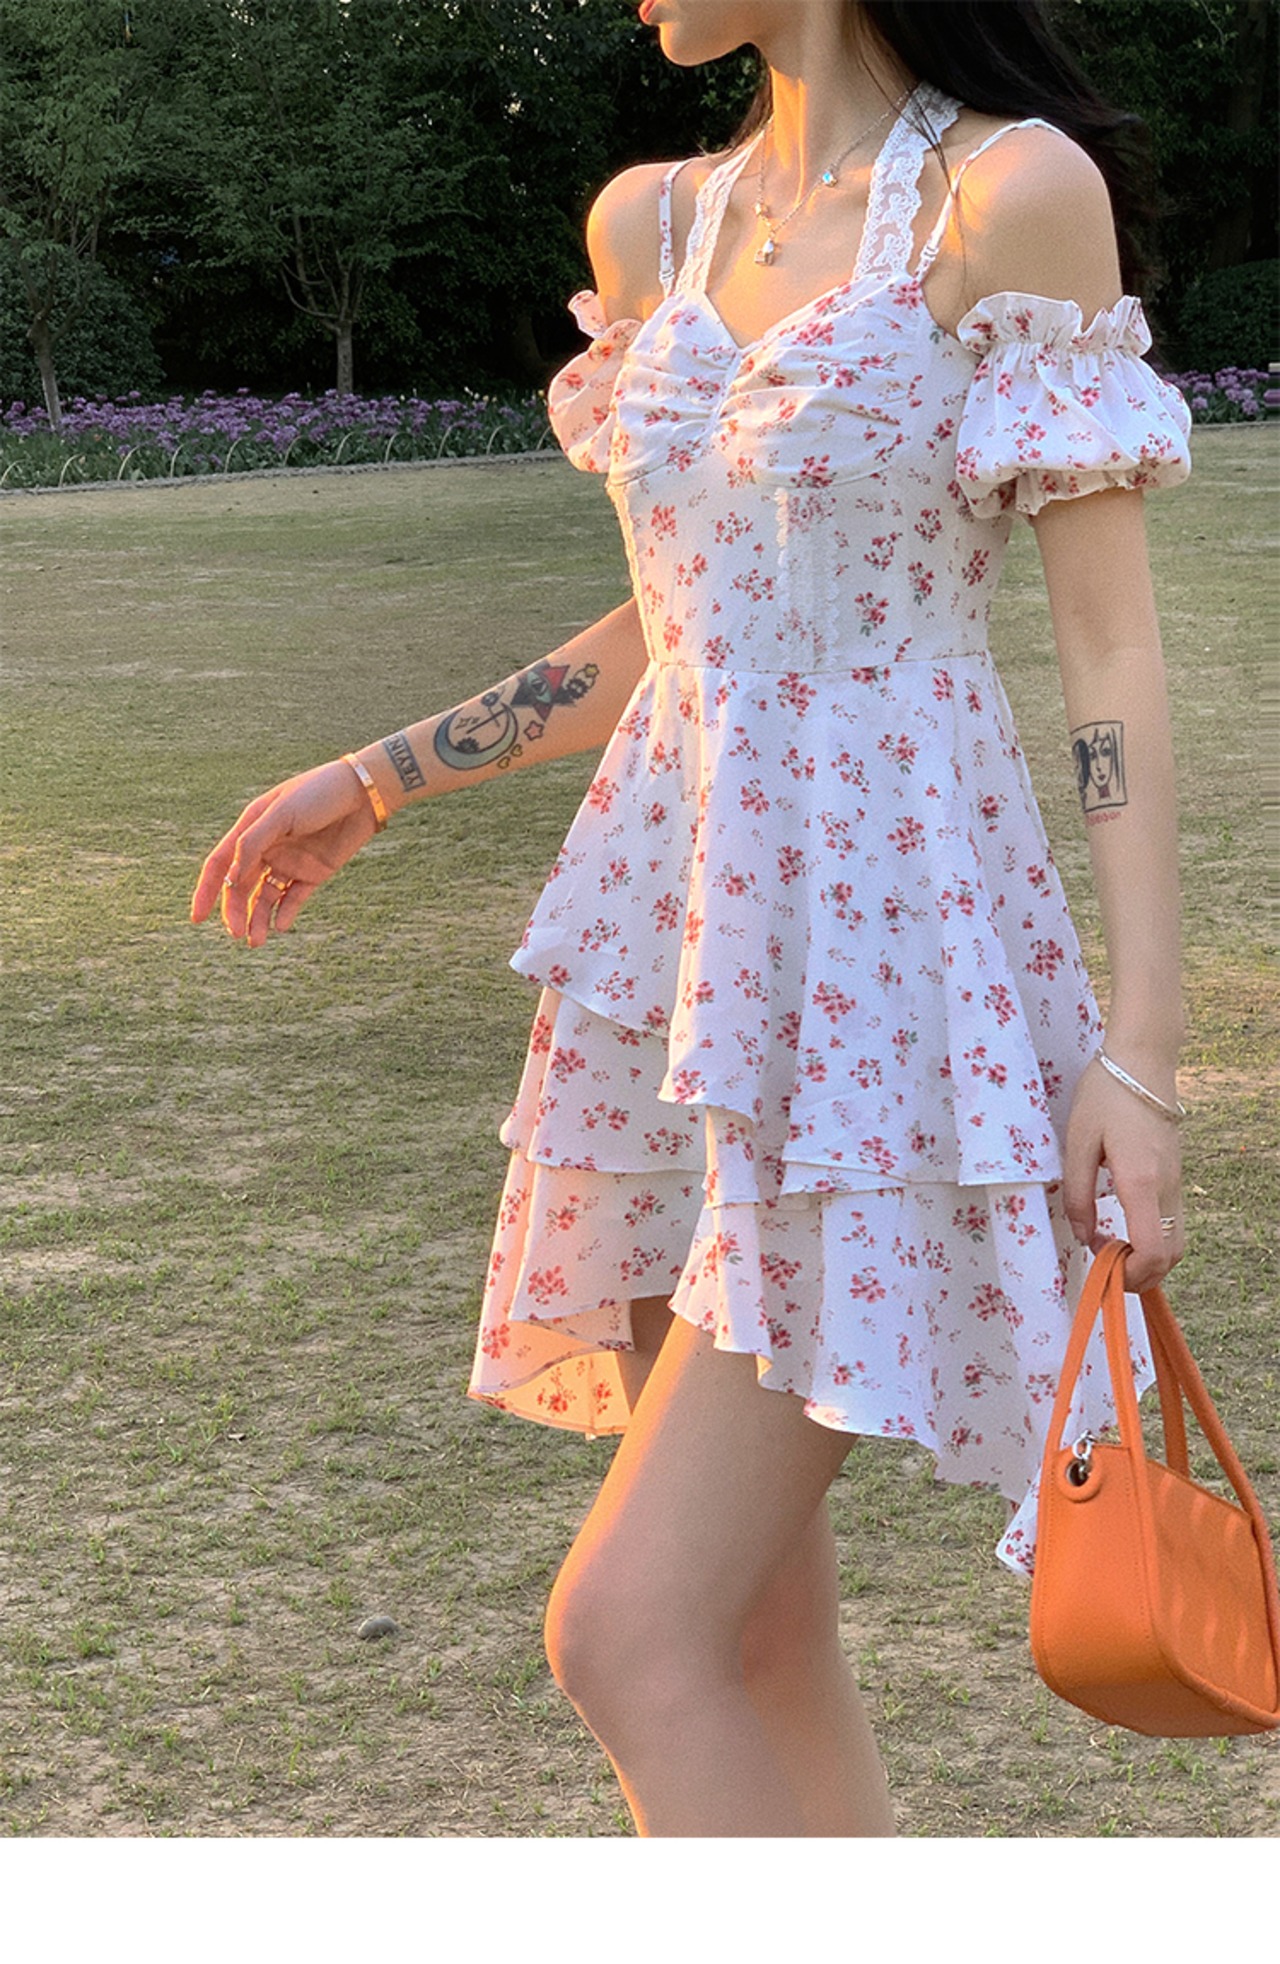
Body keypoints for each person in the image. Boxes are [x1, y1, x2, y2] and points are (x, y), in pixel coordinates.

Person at [192, 0, 1193, 1837]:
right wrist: (385, 774)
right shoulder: (648, 221)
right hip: (672, 953)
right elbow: (676, 617)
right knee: (747, 1642)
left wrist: (1141, 1051)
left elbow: (1108, 645)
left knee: (627, 1635)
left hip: (883, 961)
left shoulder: (1008, 196)